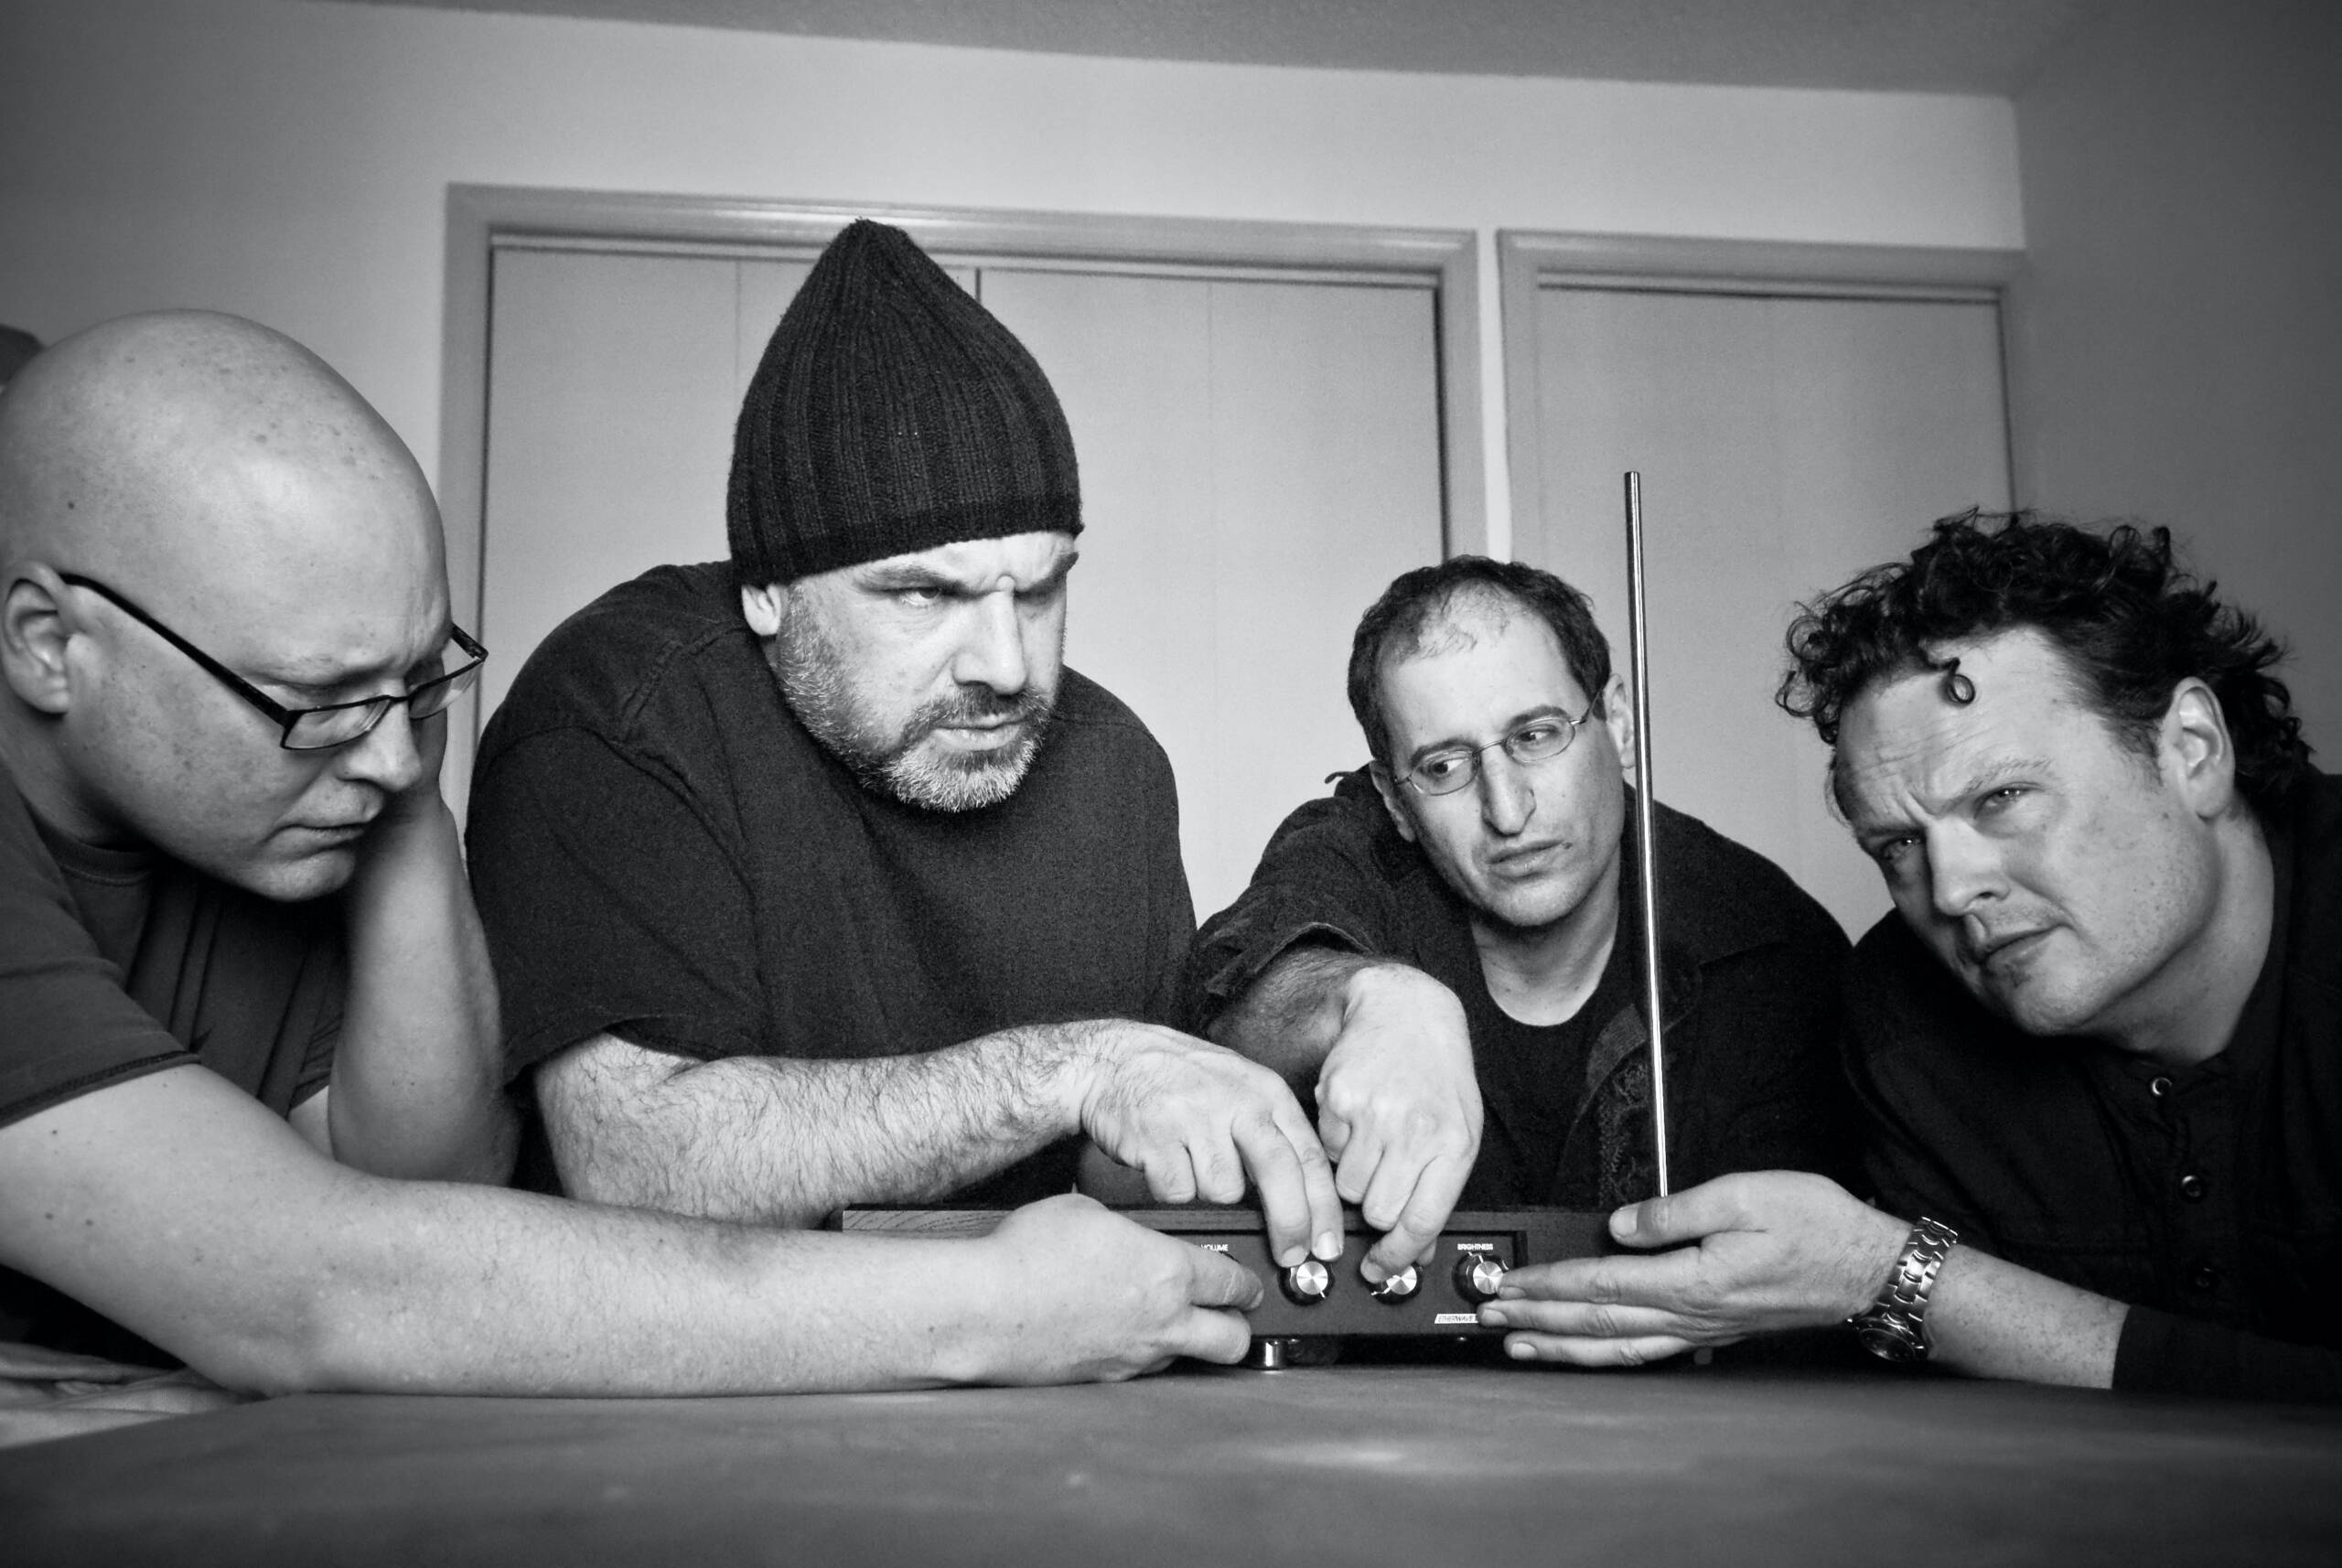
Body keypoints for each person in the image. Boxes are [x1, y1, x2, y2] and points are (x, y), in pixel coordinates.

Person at [0, 309, 1264, 1421]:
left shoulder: (301, 819)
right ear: (48, 645)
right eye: (318, 699)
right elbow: (323, 1284)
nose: (391, 758)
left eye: (423, 680)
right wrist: (986, 1306)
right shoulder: (611, 714)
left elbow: (428, 1183)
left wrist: (401, 792)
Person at [465, 220, 1343, 1271]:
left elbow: (1126, 1154)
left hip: (1043, 1364)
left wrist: (1306, 1083)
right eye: (928, 594)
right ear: (768, 589)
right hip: (691, 1368)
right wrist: (1069, 1071)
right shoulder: (623, 711)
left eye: (1040, 588)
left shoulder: (1114, 766)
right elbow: (637, 1166)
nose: (1007, 667)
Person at [1488, 511, 2339, 1402]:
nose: (1953, 888)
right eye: (1897, 845)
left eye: (2002, 797)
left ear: (2192, 750)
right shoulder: (1901, 1017)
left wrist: (1895, 1278)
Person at [1189, 556, 1857, 1285]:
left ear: (1619, 721)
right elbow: (1221, 1002)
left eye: (1536, 736)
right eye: (1443, 767)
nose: (1508, 812)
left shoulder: (1770, 944)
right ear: (1395, 800)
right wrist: (1373, 1000)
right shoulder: (1352, 852)